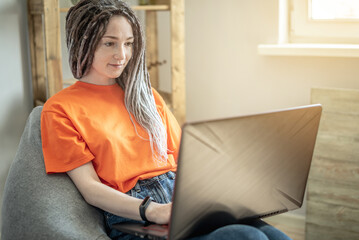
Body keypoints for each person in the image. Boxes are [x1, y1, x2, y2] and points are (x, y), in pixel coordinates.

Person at [41, 0, 292, 239]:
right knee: (246, 237)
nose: (122, 54)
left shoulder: (145, 96)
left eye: (129, 43)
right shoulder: (60, 109)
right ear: (84, 42)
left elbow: (185, 160)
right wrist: (151, 210)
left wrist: (231, 190)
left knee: (272, 235)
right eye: (110, 43)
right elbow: (90, 189)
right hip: (135, 216)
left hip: (180, 200)